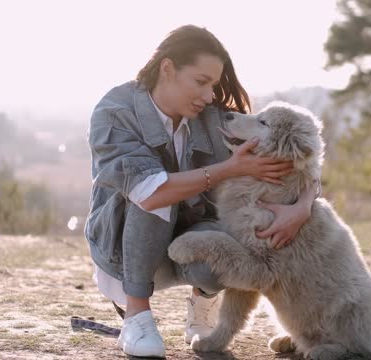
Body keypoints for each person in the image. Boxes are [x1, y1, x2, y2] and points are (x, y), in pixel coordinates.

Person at [84, 24, 319, 358]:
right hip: (126, 248)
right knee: (155, 194)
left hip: (190, 239)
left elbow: (291, 156)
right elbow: (150, 192)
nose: (210, 95)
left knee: (223, 250)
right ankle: (136, 316)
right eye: (201, 82)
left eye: (213, 84)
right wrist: (230, 169)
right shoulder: (115, 113)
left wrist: (303, 207)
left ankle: (203, 301)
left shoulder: (211, 117)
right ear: (167, 68)